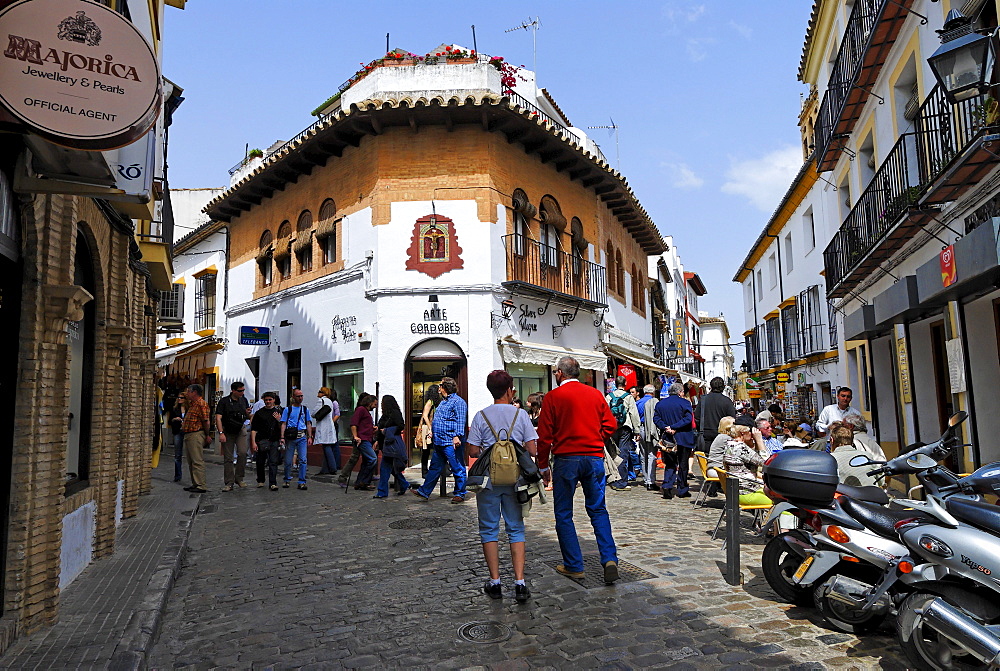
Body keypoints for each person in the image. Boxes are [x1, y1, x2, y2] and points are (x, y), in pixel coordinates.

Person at [537, 356, 620, 584]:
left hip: (566, 458)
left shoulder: (553, 397)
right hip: (593, 458)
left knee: (564, 513)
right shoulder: (595, 394)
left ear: (560, 374)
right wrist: (596, 439)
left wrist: (542, 465)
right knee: (598, 509)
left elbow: (544, 437)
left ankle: (574, 565)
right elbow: (611, 425)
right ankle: (609, 558)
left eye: (555, 371)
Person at [466, 370, 538, 603]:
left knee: (489, 529)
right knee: (515, 528)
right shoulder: (521, 416)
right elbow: (533, 449)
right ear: (510, 390)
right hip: (515, 480)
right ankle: (519, 582)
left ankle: (495, 581)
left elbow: (473, 451)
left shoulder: (481, 416)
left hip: (489, 480)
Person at [413, 377, 468, 503]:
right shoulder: (443, 402)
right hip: (439, 441)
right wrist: (433, 432)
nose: (439, 388)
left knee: (457, 468)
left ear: (445, 387)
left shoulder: (458, 402)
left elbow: (460, 420)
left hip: (450, 442)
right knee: (434, 467)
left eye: (440, 385)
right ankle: (424, 491)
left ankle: (460, 493)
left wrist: (457, 436)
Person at [653, 382, 695, 500]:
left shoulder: (661, 404)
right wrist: (674, 427)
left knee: (670, 464)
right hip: (683, 437)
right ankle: (682, 489)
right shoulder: (685, 403)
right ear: (680, 392)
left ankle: (667, 485)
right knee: (683, 464)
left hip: (668, 438)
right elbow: (687, 418)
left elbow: (656, 418)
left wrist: (666, 427)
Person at [606, 376, 641, 490]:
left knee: (613, 453)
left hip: (612, 428)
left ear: (615, 384)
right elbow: (634, 414)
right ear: (625, 383)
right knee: (623, 453)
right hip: (625, 427)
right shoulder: (628, 397)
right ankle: (621, 482)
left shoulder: (608, 397)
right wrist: (637, 430)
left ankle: (613, 479)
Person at [215, 381, 251, 491]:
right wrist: (221, 433)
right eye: (240, 391)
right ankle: (229, 482)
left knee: (243, 453)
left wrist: (248, 413)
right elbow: (218, 418)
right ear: (233, 390)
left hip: (240, 429)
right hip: (228, 431)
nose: (242, 392)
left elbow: (247, 415)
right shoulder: (224, 402)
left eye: (243, 390)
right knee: (228, 458)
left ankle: (239, 478)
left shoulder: (243, 400)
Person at [723, 423, 771, 505]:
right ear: (742, 433)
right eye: (750, 432)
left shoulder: (729, 444)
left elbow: (754, 459)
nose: (752, 435)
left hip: (735, 490)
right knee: (781, 503)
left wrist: (753, 443)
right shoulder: (741, 448)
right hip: (746, 492)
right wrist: (759, 440)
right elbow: (767, 463)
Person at [373, 395, 410, 498]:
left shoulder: (395, 414)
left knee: (385, 468)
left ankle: (382, 492)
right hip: (385, 444)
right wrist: (377, 439)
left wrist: (386, 431)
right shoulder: (385, 416)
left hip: (392, 444)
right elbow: (381, 427)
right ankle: (403, 484)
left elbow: (400, 426)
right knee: (393, 468)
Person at [342, 394, 378, 490]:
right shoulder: (361, 409)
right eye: (374, 404)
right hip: (363, 439)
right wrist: (355, 436)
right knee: (372, 459)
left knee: (366, 461)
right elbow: (354, 424)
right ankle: (364, 481)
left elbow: (363, 425)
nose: (375, 406)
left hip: (367, 438)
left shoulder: (366, 411)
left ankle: (360, 482)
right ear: (370, 403)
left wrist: (372, 428)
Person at [279, 388, 313, 490]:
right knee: (288, 461)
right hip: (291, 437)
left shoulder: (305, 409)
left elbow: (308, 423)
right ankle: (287, 479)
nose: (300, 398)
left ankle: (302, 481)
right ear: (293, 397)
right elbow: (283, 423)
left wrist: (310, 436)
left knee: (303, 460)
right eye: (298, 396)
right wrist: (282, 437)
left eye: (301, 396)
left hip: (302, 436)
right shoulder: (287, 409)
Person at [180, 384, 211, 494]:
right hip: (189, 434)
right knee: (191, 460)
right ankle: (195, 483)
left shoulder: (201, 404)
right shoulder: (193, 404)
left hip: (196, 434)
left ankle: (201, 485)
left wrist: (207, 435)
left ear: (194, 392)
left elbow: (206, 421)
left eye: (188, 391)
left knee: (197, 460)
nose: (187, 393)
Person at [250, 392, 284, 491]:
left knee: (273, 462)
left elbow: (283, 426)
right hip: (262, 440)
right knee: (260, 461)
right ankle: (260, 480)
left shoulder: (278, 412)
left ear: (274, 400)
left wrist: (279, 420)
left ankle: (273, 483)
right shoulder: (259, 413)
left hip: (274, 440)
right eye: (266, 400)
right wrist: (253, 442)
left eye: (270, 399)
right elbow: (254, 429)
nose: (268, 402)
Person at [698, 377, 737, 450]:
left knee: (706, 458)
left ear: (711, 387)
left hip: (706, 434)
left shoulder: (703, 399)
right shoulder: (727, 401)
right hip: (722, 434)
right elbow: (732, 419)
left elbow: (697, 417)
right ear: (723, 387)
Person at [635, 384, 659, 489]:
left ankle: (645, 478)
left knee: (643, 454)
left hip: (641, 429)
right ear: (653, 392)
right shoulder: (655, 402)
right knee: (651, 454)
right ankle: (651, 481)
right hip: (651, 429)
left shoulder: (638, 402)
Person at [313, 387, 341, 475]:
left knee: (326, 447)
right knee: (327, 446)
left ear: (323, 393)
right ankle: (325, 469)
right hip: (330, 426)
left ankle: (332, 468)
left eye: (320, 392)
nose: (318, 393)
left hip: (323, 427)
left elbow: (314, 413)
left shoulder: (321, 401)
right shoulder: (329, 401)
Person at [416, 385, 440, 477]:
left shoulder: (435, 402)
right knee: (426, 450)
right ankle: (424, 471)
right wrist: (430, 427)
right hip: (428, 429)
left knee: (432, 450)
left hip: (432, 428)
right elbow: (425, 415)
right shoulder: (430, 402)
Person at [169, 394, 187, 483]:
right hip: (177, 431)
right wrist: (175, 419)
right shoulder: (175, 408)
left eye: (182, 398)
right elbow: (169, 420)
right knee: (177, 454)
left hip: (187, 431)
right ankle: (177, 475)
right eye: (178, 397)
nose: (179, 399)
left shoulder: (189, 409)